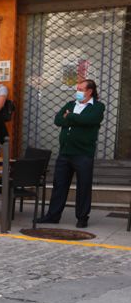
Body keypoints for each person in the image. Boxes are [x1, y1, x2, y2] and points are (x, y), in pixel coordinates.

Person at [37, 79, 104, 228]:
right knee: (59, 185)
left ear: (90, 91)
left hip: (83, 153)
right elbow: (58, 120)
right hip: (65, 152)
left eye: (81, 89)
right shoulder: (70, 104)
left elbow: (89, 120)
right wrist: (74, 119)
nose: (77, 92)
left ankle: (82, 217)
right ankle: (53, 215)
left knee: (83, 186)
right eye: (77, 89)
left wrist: (70, 117)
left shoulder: (98, 107)